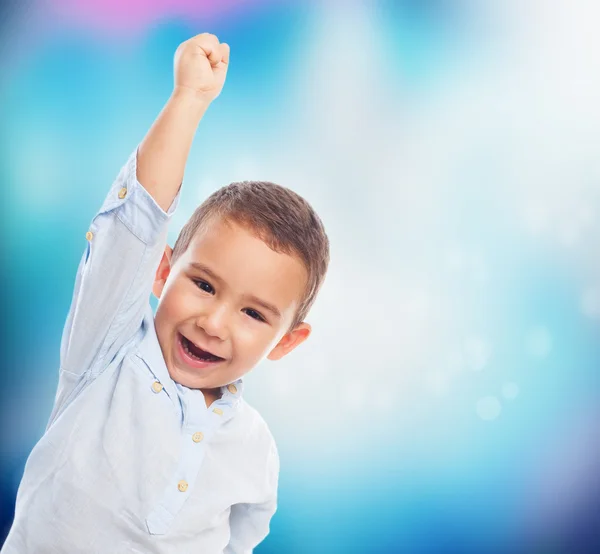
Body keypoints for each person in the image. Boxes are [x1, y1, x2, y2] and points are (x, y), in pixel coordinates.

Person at [2, 32, 329, 553]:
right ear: (161, 271)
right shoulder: (106, 352)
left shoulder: (254, 451)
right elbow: (132, 225)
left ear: (287, 341)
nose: (214, 323)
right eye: (203, 284)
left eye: (253, 313)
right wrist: (189, 99)